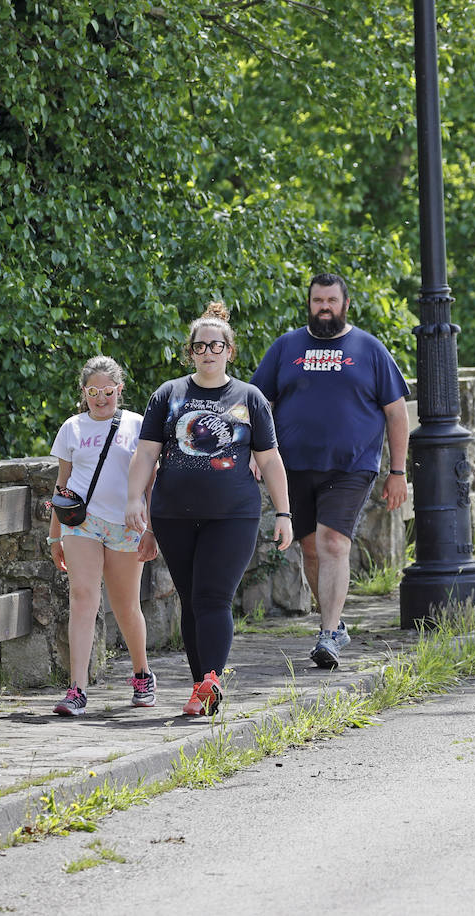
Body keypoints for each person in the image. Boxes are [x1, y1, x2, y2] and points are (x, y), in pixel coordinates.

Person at [125, 302, 294, 717]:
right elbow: (146, 453)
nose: (208, 352)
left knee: (213, 597)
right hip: (172, 514)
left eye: (216, 345)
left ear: (229, 351)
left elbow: (270, 460)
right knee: (190, 599)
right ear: (191, 352)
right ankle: (203, 687)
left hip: (233, 514)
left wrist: (285, 513)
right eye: (200, 346)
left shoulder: (249, 398)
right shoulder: (168, 395)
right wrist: (134, 500)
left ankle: (210, 681)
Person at [249, 272, 409, 669]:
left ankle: (327, 634)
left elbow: (397, 413)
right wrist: (254, 451)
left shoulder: (369, 349)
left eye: (331, 301)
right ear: (309, 303)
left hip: (351, 466)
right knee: (309, 548)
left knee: (333, 542)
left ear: (345, 304)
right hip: (292, 467)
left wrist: (399, 471)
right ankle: (333, 625)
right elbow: (256, 402)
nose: (324, 308)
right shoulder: (286, 347)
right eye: (317, 301)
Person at [48, 356, 159, 717]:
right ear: (83, 392)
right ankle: (77, 688)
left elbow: (153, 482)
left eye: (107, 391)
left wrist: (152, 529)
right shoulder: (71, 428)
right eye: (93, 392)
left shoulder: (138, 425)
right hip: (82, 523)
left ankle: (142, 674)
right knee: (83, 598)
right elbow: (61, 486)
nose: (100, 398)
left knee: (126, 606)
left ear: (119, 390)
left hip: (126, 524)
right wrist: (55, 536)